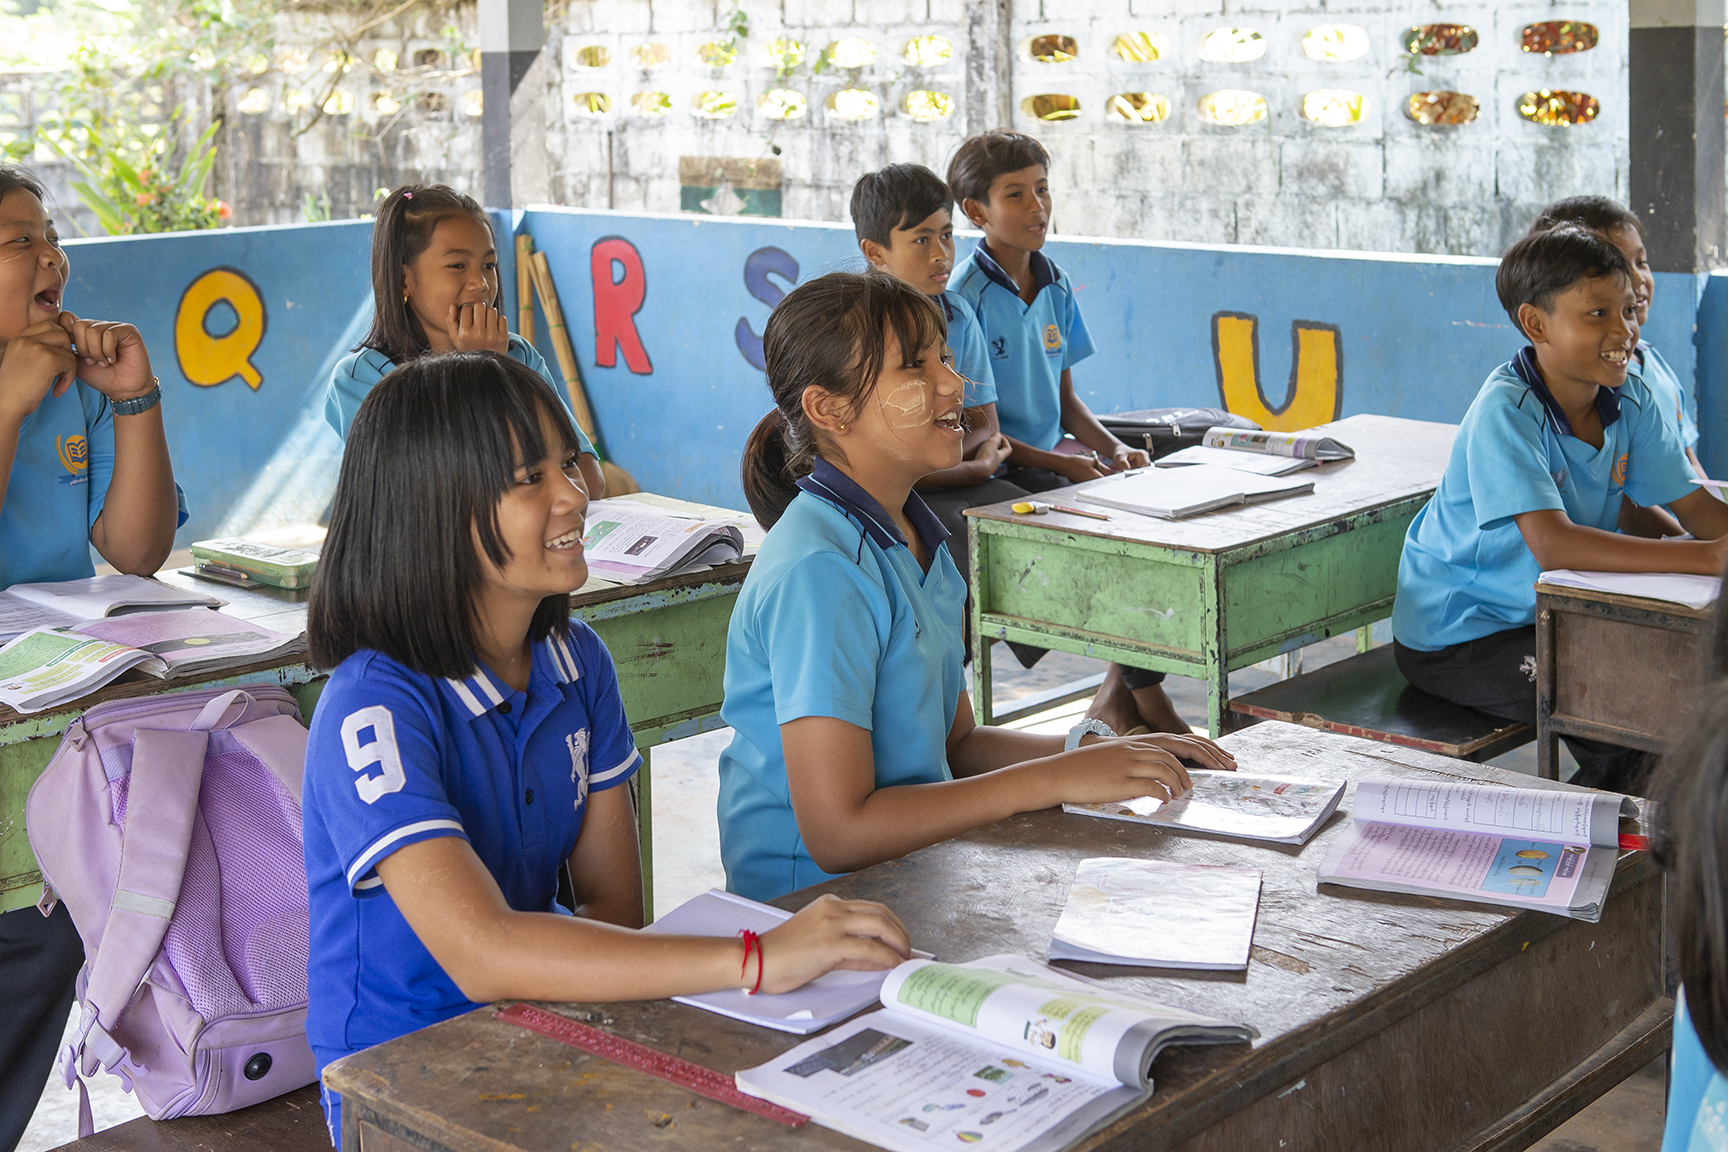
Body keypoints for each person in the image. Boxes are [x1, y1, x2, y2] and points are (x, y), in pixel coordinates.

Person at [302, 352, 910, 1142]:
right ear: (433, 509)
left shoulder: (576, 659)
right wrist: (758, 957)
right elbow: (483, 953)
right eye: (530, 480)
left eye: (567, 464)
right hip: (400, 1078)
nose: (573, 497)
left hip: (546, 1024)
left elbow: (615, 908)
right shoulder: (374, 704)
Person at [719, 270, 1236, 902]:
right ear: (829, 409)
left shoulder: (914, 537)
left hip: (906, 875)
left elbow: (955, 745)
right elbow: (840, 834)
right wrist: (1057, 779)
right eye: (915, 367)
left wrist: (1096, 751)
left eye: (945, 358)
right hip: (809, 906)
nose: (953, 384)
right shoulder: (820, 572)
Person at [1391, 224, 1728, 794]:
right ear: (1536, 324)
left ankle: (1623, 831)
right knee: (1631, 713)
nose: (1623, 330)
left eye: (1626, 310)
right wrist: (1701, 559)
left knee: (1676, 688)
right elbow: (1556, 544)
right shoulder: (1508, 411)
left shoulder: (1630, 398)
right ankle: (1604, 844)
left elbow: (1694, 505)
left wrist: (1705, 547)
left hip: (1554, 614)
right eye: (1597, 314)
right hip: (1464, 635)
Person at [0, 166, 184, 1151]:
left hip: (52, 694)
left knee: (59, 917)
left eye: (49, 236)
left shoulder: (74, 378)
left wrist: (138, 395)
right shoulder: (27, 383)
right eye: (18, 242)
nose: (48, 258)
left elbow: (139, 551)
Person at [946, 129, 1182, 736]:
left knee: (1155, 509)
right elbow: (981, 433)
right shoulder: (963, 300)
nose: (1037, 207)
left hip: (1057, 458)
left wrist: (1114, 448)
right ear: (977, 211)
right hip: (1008, 466)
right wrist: (1065, 467)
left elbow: (1066, 399)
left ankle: (1115, 695)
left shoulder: (1056, 282)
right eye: (1016, 194)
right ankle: (1144, 701)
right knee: (1112, 538)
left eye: (1043, 190)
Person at [323, 183, 605, 498]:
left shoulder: (519, 357)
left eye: (488, 265)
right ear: (404, 279)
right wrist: (481, 373)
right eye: (457, 265)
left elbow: (588, 480)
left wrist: (495, 364)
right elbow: (429, 497)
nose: (481, 283)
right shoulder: (363, 380)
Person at [848, 163, 1023, 586]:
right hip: (892, 492)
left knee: (1040, 526)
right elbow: (871, 462)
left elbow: (985, 426)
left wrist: (962, 463)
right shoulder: (855, 328)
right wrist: (972, 469)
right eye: (921, 239)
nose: (941, 253)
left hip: (947, 476)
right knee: (944, 551)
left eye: (946, 235)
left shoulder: (959, 314)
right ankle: (952, 647)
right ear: (875, 252)